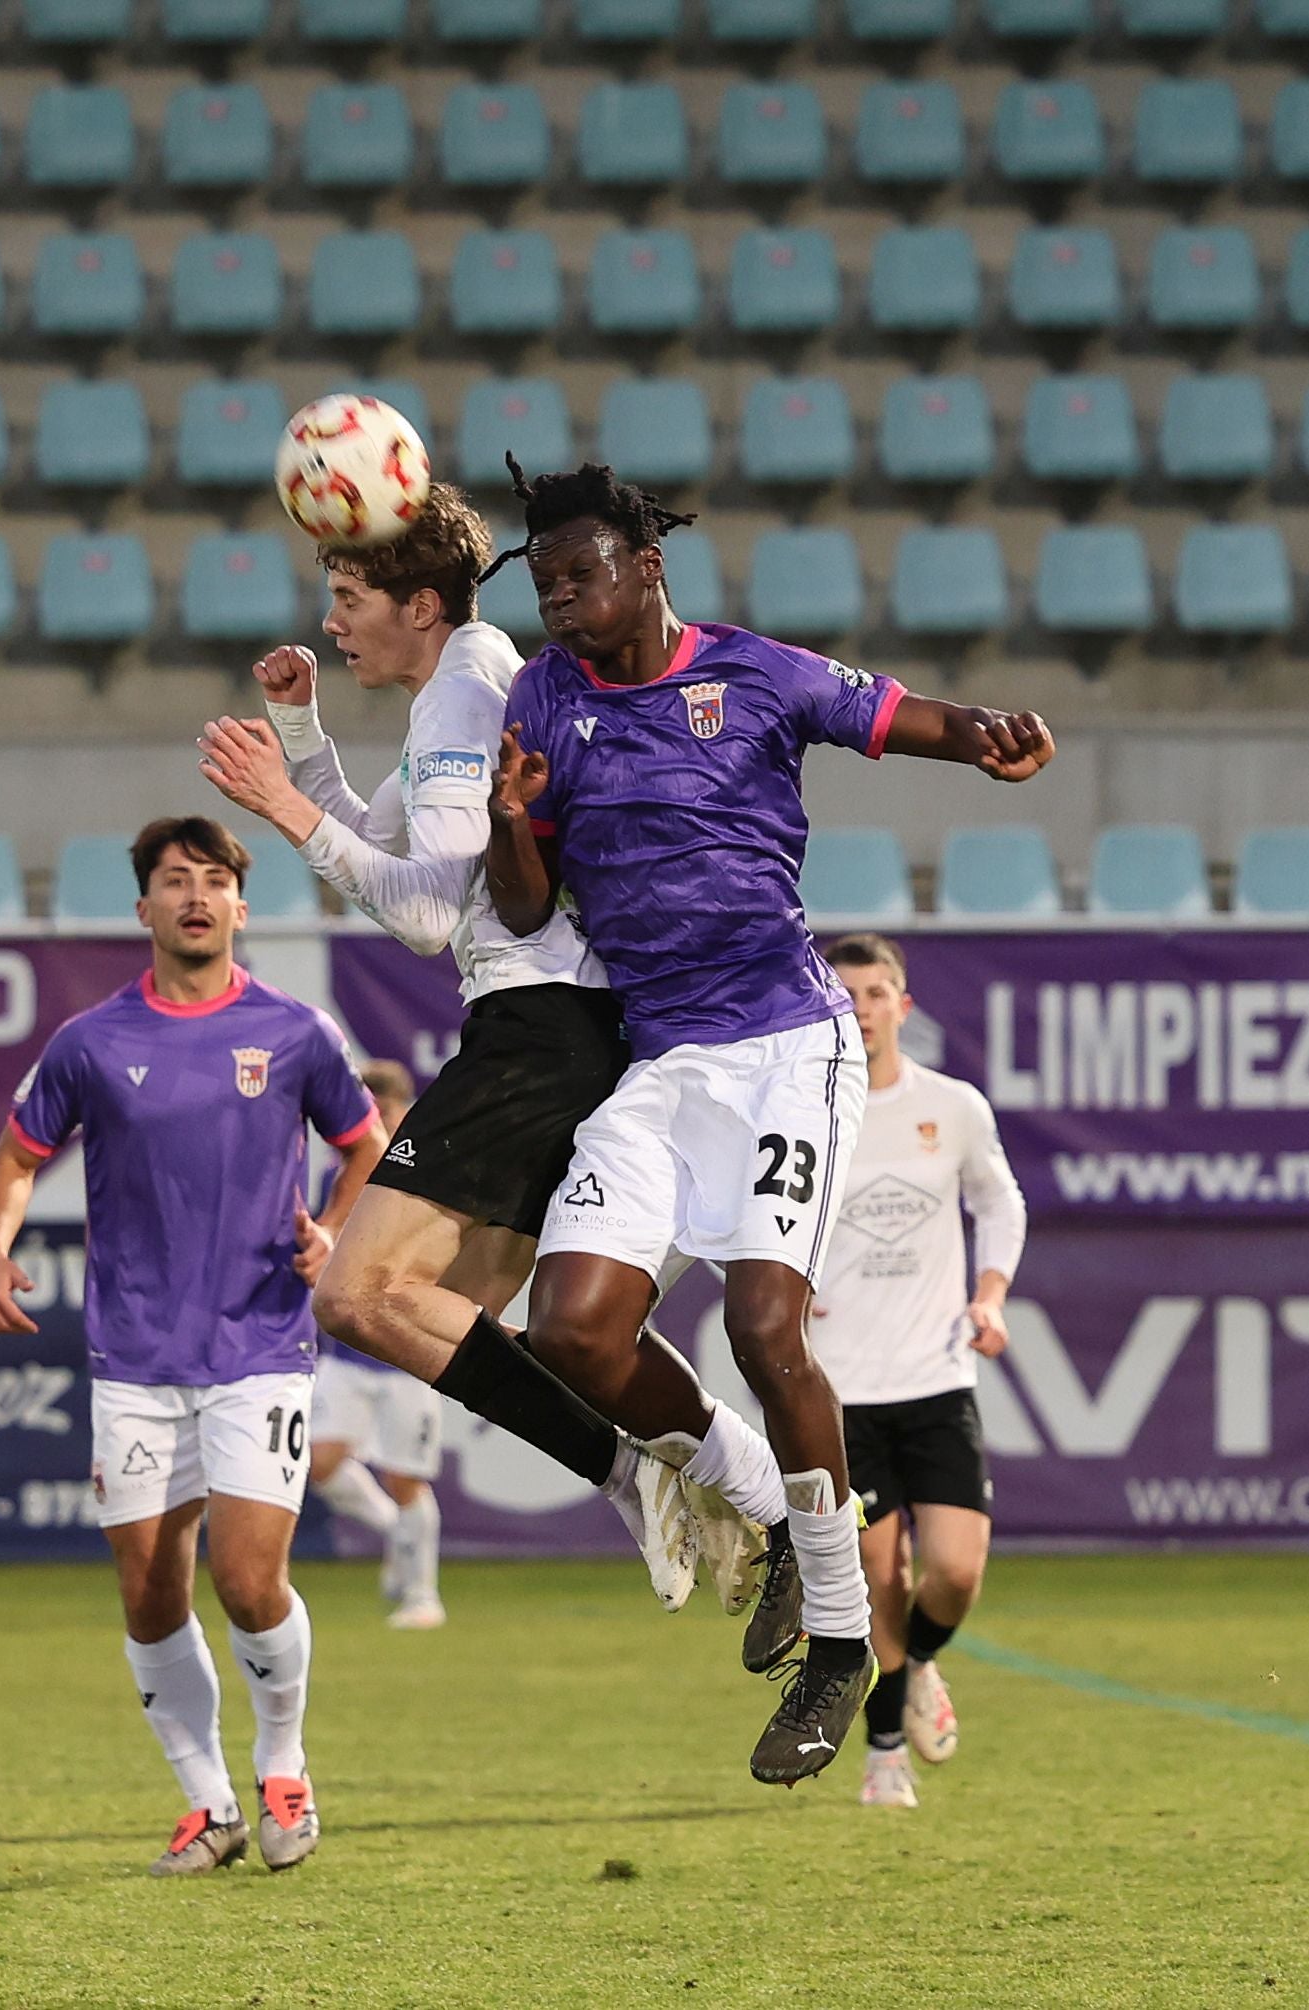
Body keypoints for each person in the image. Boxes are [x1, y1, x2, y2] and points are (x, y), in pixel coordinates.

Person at [483, 455, 1055, 1787]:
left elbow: (906, 712)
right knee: (568, 1328)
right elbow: (521, 905)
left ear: (645, 569)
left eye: (583, 573)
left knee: (759, 1323)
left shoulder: (751, 672)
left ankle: (842, 1643)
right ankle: (780, 1509)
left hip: (790, 1044)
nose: (561, 599)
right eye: (547, 580)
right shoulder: (542, 697)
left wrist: (983, 732)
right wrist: (514, 821)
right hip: (663, 1060)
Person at [196, 482, 786, 1626]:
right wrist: (306, 746)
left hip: (543, 1027)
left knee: (359, 1295)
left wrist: (281, 804)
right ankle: (669, 1476)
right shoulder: (461, 679)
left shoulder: (466, 690)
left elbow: (425, 915)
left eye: (348, 596)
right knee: (475, 1327)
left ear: (420, 603)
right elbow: (392, 849)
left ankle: (664, 1478)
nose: (332, 621)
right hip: (564, 1028)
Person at [0, 816, 386, 1878]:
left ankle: (283, 1765)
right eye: (174, 881)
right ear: (144, 909)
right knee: (151, 1592)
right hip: (136, 1360)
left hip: (259, 1344)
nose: (196, 896)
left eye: (215, 881)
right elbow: (14, 1161)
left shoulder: (296, 1032)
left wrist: (335, 1233)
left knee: (250, 1583)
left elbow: (368, 1150)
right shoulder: (91, 1041)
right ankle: (208, 1804)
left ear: (242, 909)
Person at [811, 933, 1027, 1810]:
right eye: (845, 993)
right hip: (835, 1390)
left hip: (936, 1379)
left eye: (874, 993)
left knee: (952, 1575)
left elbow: (998, 1202)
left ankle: (924, 1662)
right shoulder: (805, 1109)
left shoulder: (953, 1107)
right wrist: (774, 1296)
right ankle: (885, 1750)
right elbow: (725, 1218)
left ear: (903, 1005)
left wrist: (989, 1296)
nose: (860, 1008)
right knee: (875, 1576)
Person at [308, 1059, 450, 1631]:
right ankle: (397, 1534)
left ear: (403, 1110)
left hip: (404, 1351)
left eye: (382, 1110)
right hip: (346, 1351)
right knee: (319, 1464)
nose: (372, 1121)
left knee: (404, 1477)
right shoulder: (339, 1175)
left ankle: (423, 1595)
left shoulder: (432, 1168)